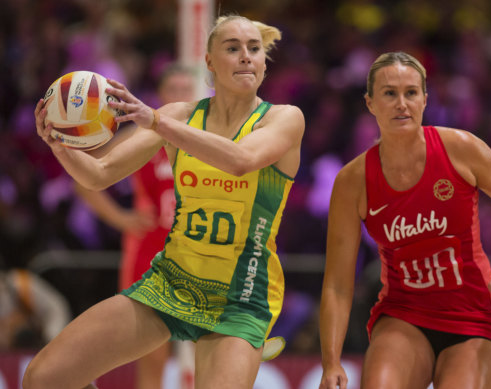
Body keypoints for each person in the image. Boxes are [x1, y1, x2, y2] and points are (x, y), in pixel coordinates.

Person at [24, 14, 304, 389]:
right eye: (233, 48)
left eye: (254, 49)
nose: (246, 57)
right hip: (171, 281)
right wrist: (60, 145)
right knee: (43, 378)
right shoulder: (180, 116)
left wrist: (156, 121)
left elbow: (240, 160)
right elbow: (98, 174)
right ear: (208, 62)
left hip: (241, 296)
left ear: (265, 62)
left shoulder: (284, 119)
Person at [319, 52, 491, 389]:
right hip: (403, 314)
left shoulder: (461, 148)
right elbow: (337, 284)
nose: (401, 103)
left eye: (411, 93)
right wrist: (331, 363)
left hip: (475, 316)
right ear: (370, 103)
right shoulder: (352, 181)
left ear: (425, 100)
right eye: (389, 93)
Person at [73, 63, 196, 389]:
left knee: (204, 351)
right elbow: (86, 179)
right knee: (152, 353)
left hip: (199, 250)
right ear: (161, 97)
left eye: (188, 90)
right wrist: (121, 218)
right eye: (175, 90)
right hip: (150, 251)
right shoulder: (143, 135)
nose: (182, 95)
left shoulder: (208, 136)